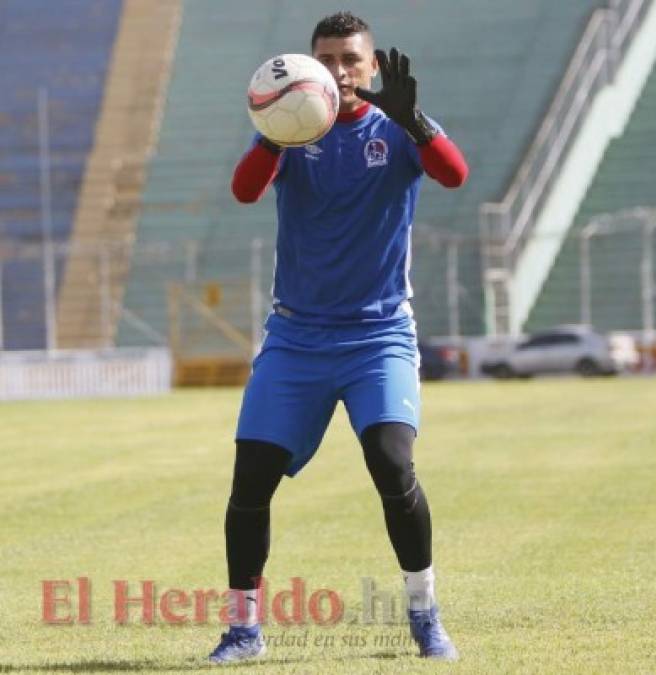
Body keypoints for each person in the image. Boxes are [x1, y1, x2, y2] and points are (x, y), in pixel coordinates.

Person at [208, 11, 468, 664]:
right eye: (327, 58)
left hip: (378, 337)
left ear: (373, 66)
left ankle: (423, 612)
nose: (340, 70)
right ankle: (243, 629)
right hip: (295, 338)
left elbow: (455, 174)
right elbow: (243, 192)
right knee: (250, 481)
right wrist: (273, 129)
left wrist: (416, 120)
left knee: (392, 461)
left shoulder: (395, 130)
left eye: (351, 59)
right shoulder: (291, 134)